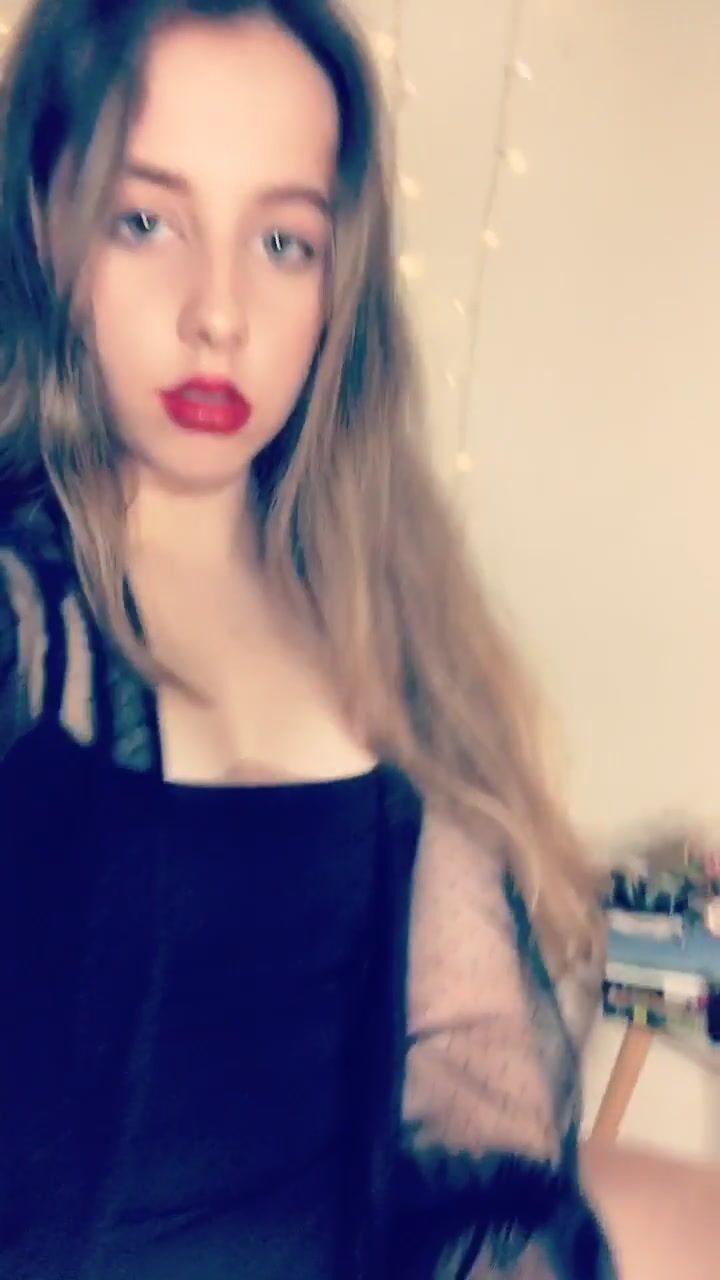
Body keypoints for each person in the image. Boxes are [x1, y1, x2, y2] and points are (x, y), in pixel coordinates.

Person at [0, 2, 702, 1278]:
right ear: (47, 222)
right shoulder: (26, 612)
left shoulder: (389, 625)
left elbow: (473, 1090)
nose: (219, 313)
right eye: (145, 219)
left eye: (283, 241)